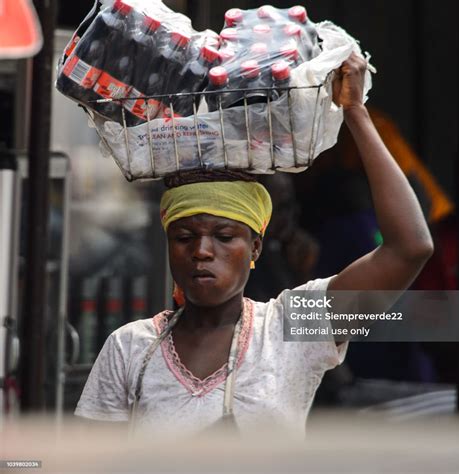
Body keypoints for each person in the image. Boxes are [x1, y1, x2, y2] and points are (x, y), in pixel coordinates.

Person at [74, 53, 434, 437]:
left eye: (224, 237)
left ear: (256, 249)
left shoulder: (289, 329)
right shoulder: (130, 348)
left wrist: (355, 112)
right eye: (184, 237)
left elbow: (409, 248)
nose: (201, 251)